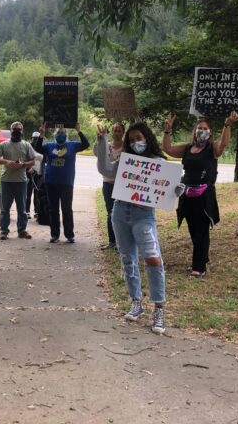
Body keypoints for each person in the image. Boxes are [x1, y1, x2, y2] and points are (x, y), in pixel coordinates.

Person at [96, 121, 168, 334]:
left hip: (143, 215)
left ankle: (159, 309)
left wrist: (177, 189)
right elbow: (104, 169)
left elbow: (168, 187)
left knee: (152, 257)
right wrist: (102, 141)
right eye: (132, 139)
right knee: (128, 258)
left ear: (147, 138)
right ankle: (136, 302)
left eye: (140, 138)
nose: (137, 142)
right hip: (120, 212)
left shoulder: (158, 162)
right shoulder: (125, 162)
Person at [162, 111, 238, 278]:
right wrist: (167, 131)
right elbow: (167, 149)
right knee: (192, 228)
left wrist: (227, 124)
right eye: (199, 128)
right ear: (194, 131)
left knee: (202, 231)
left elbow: (223, 144)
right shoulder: (187, 148)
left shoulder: (212, 149)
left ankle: (199, 267)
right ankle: (202, 259)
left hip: (204, 195)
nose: (201, 131)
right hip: (186, 193)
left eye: (205, 128)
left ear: (210, 132)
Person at [36, 123, 90, 243]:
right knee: (53, 209)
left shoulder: (72, 145)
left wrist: (79, 131)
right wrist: (42, 135)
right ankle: (54, 235)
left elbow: (86, 144)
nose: (61, 134)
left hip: (66, 182)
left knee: (66, 209)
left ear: (66, 134)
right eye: (59, 132)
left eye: (63, 132)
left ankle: (69, 234)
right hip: (51, 182)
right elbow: (38, 149)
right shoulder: (49, 146)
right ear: (55, 135)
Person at [0, 121, 36, 240]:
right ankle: (4, 230)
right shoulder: (4, 145)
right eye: (14, 129)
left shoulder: (26, 145)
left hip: (21, 181)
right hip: (6, 180)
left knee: (21, 208)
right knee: (5, 208)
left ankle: (22, 230)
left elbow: (33, 161)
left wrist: (23, 165)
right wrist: (7, 162)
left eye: (19, 129)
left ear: (22, 131)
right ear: (10, 130)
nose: (17, 131)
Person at [93, 122, 125, 250]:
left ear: (123, 132)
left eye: (119, 130)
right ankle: (112, 241)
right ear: (111, 132)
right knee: (110, 213)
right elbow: (96, 152)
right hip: (107, 184)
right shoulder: (106, 145)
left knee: (122, 213)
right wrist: (99, 138)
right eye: (114, 130)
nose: (116, 132)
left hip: (122, 185)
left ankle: (121, 242)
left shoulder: (127, 147)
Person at [25, 131, 42, 218]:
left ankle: (36, 211)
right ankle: (27, 211)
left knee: (37, 194)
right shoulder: (28, 147)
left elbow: (42, 160)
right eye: (34, 138)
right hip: (29, 173)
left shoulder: (41, 147)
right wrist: (28, 168)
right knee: (28, 193)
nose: (35, 140)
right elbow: (25, 159)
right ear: (32, 138)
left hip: (38, 174)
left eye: (37, 139)